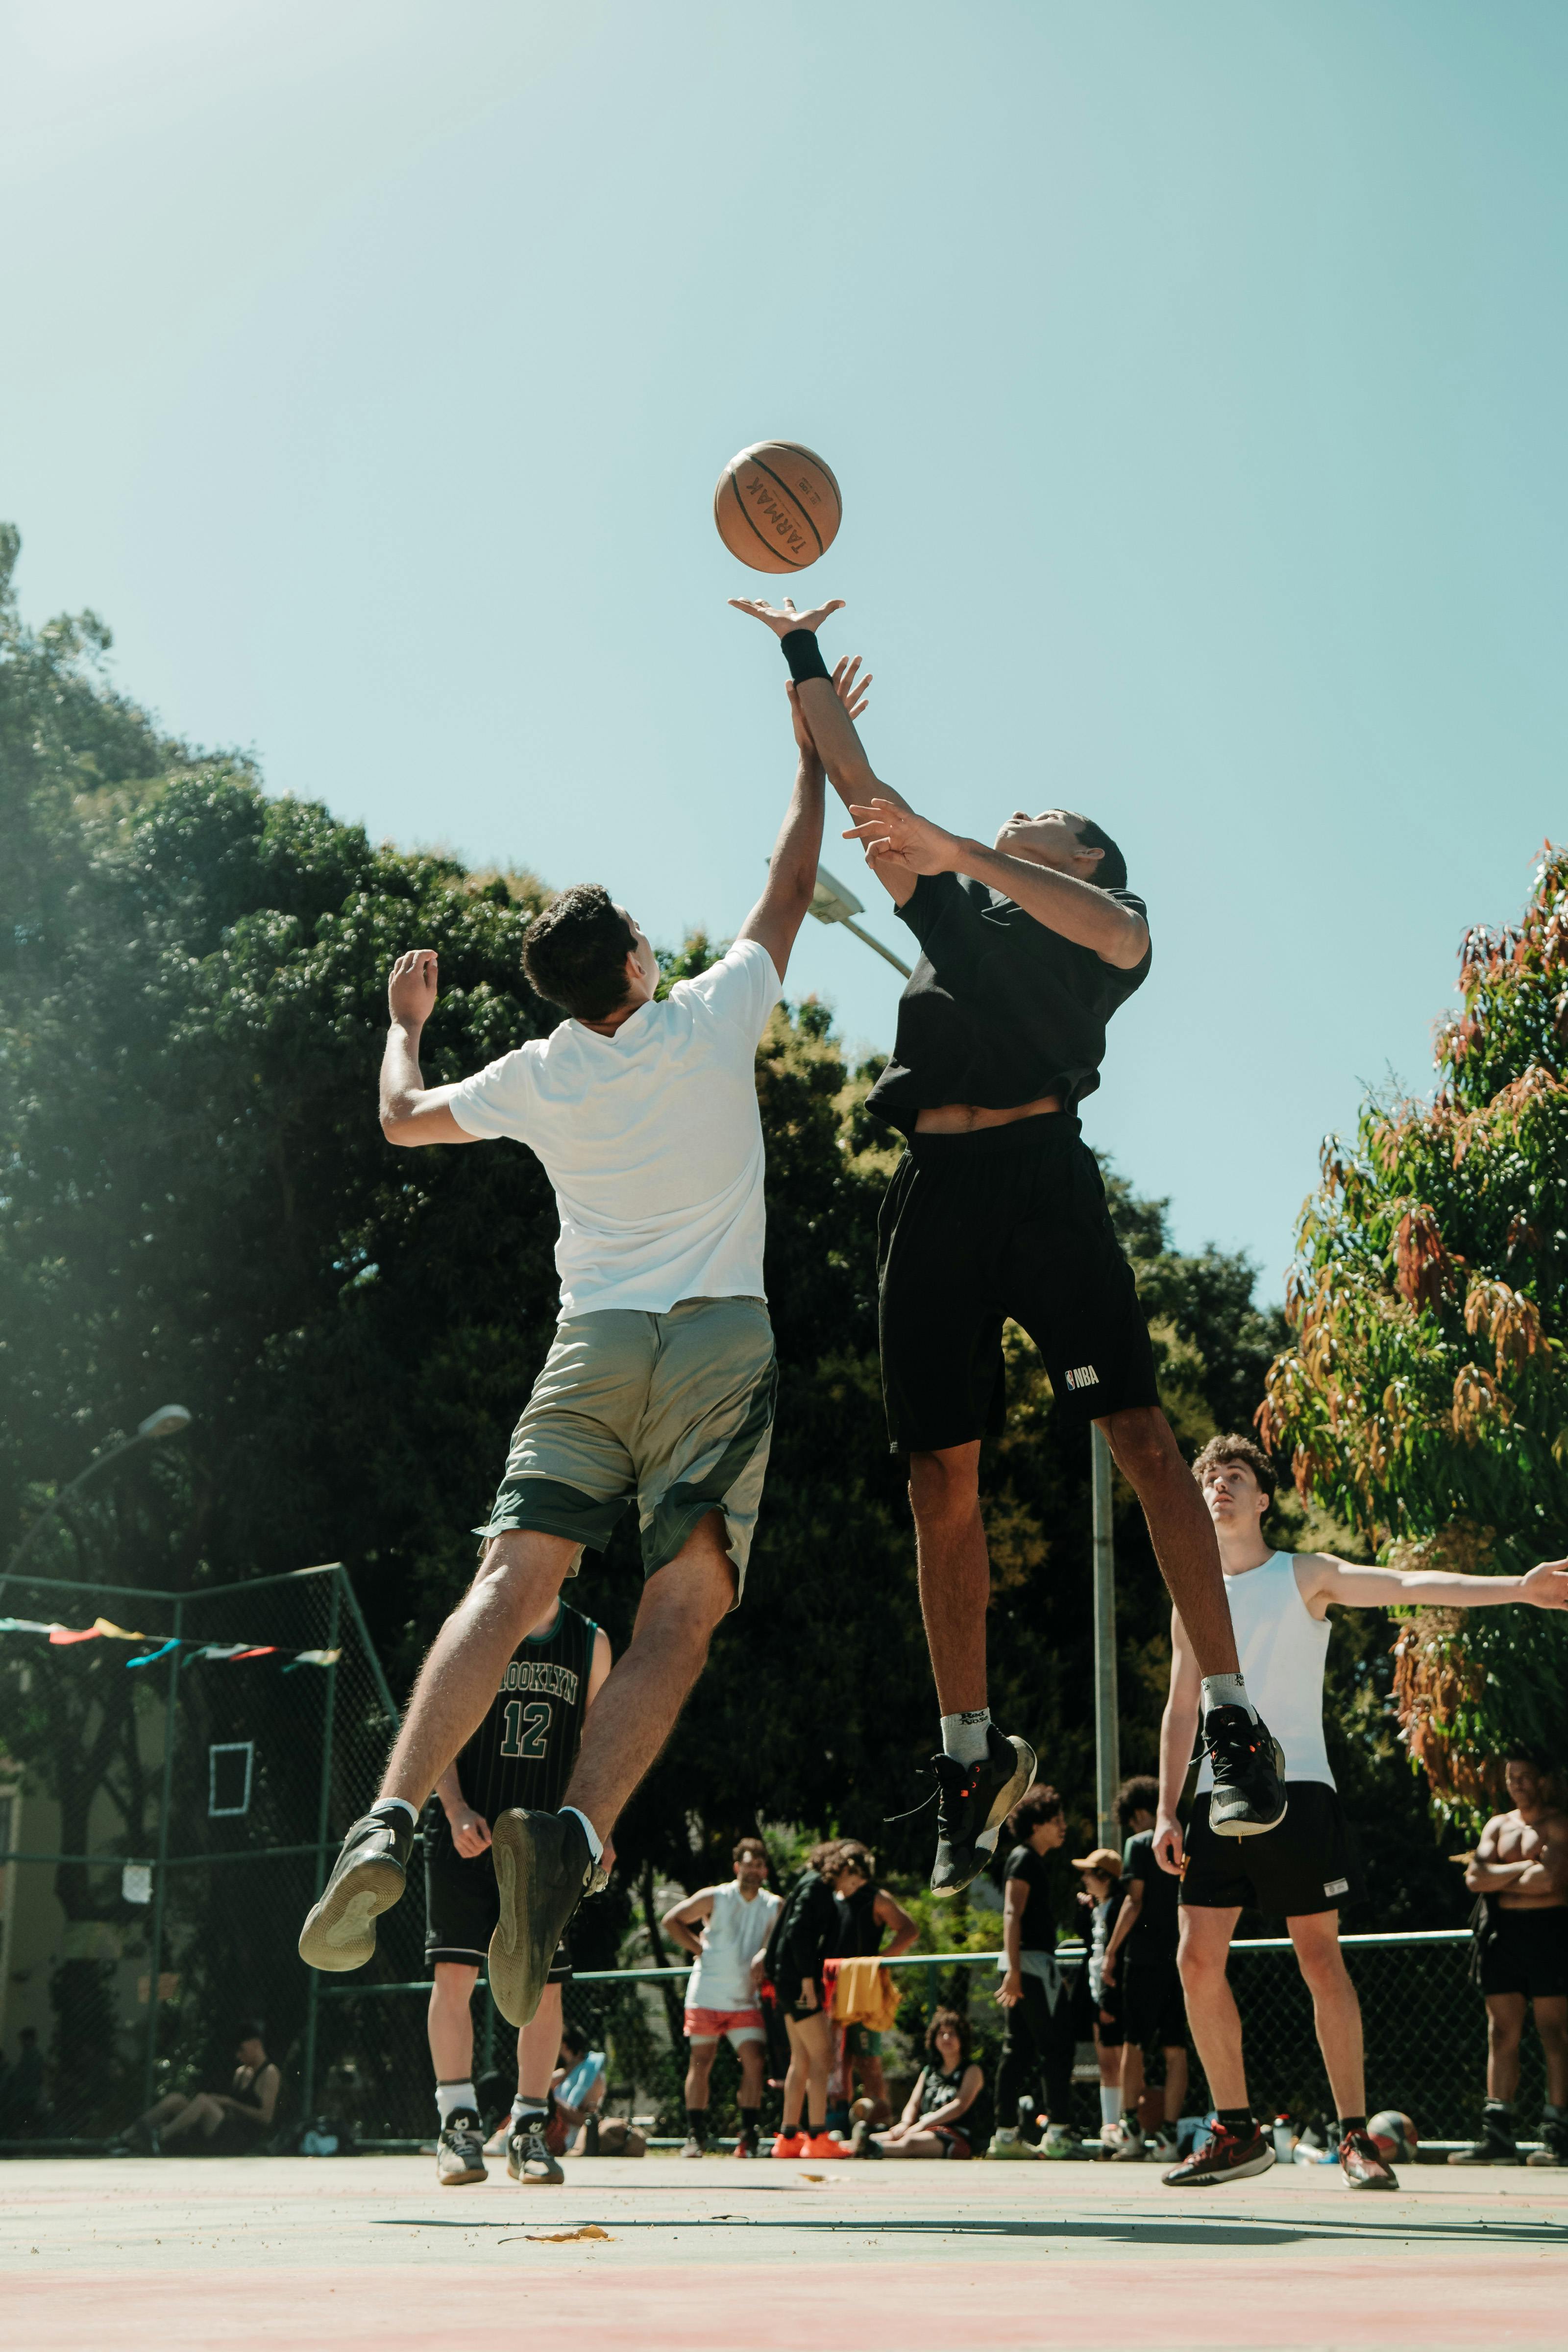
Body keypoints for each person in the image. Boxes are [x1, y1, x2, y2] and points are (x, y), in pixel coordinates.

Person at [299, 657, 868, 2028]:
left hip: (593, 1342)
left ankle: (383, 1822)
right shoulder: (715, 1012)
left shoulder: (544, 1073)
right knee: (684, 1607)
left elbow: (401, 1118)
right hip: (716, 1343)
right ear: (632, 963)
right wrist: (809, 743)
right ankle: (575, 1838)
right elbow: (793, 878)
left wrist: (403, 1027)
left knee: (512, 1584)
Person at [730, 593, 1285, 1898]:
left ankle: (1232, 1720)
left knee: (1146, 1442)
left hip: (1046, 1183)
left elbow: (1102, 923)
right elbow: (861, 784)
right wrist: (800, 649)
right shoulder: (955, 915)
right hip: (937, 1189)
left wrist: (953, 839)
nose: (1025, 809)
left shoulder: (1109, 924)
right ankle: (972, 1757)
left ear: (1086, 855)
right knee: (939, 1482)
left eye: (1049, 815)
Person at [1155, 1433, 1568, 2192]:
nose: (1218, 1487)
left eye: (1235, 1476)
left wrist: (1520, 1585)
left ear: (1263, 1497)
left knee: (1320, 1959)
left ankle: (1356, 2138)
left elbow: (1410, 1581)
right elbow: (1182, 1707)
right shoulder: (1192, 1594)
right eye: (1209, 1478)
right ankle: (1237, 2131)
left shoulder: (1302, 1574)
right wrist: (1166, 1809)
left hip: (1300, 1789)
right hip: (1216, 1797)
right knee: (1194, 1959)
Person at [423, 1592, 611, 2188]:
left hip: (544, 1839)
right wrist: (453, 1809)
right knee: (454, 1975)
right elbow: (437, 1722)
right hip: (468, 1828)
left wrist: (598, 1826)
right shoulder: (474, 1622)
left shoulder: (589, 1641)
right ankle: (457, 2124)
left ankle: (530, 2128)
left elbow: (602, 1742)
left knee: (544, 1987)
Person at [1450, 1754, 1568, 2167]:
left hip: (1551, 1934)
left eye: (1525, 1777)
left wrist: (1500, 1877)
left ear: (1542, 1780)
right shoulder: (1498, 1825)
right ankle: (1497, 2135)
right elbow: (1474, 1878)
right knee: (1501, 2033)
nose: (1517, 1784)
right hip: (1503, 1936)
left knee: (1555, 2032)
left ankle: (1558, 2134)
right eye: (1511, 1778)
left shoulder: (1558, 1823)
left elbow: (1551, 1881)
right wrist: (1523, 1868)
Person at [662, 1835, 783, 2158]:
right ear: (736, 1867)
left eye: (758, 1865)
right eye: (747, 1864)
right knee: (701, 2063)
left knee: (755, 2062)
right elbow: (671, 1921)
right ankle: (695, 2136)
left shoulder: (774, 1905)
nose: (752, 1871)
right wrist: (699, 1948)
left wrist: (766, 1954)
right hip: (707, 1994)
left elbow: (780, 1939)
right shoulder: (716, 1897)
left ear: (765, 1871)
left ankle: (749, 2137)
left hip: (745, 1998)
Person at [1101, 1778, 1186, 2163]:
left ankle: (1131, 2128)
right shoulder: (1186, 1839)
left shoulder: (1139, 1845)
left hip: (1145, 1957)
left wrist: (1111, 1952)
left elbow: (1133, 1903)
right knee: (1176, 2049)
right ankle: (1169, 2135)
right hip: (1181, 1955)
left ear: (1138, 1813)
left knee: (1134, 2043)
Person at [989, 1785, 1077, 2158]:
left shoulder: (1031, 1860)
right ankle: (1058, 2133)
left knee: (1020, 2050)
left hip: (1029, 1966)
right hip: (1029, 1967)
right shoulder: (1024, 1859)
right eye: (1056, 1821)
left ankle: (1006, 2135)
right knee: (1056, 2047)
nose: (1064, 1827)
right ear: (1036, 1824)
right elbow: (1011, 1914)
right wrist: (1014, 1970)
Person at [765, 1840, 847, 2158]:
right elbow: (798, 1932)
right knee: (823, 2055)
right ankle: (817, 2136)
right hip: (798, 1982)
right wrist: (808, 1981)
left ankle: (788, 2138)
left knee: (801, 2058)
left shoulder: (806, 1881)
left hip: (785, 1980)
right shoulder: (818, 1889)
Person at [832, 1838, 917, 2130]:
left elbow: (909, 1929)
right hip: (834, 1987)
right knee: (837, 2060)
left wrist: (879, 1960)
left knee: (869, 2061)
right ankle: (838, 2125)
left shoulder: (875, 1897)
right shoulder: (831, 1896)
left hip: (865, 1989)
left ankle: (878, 2125)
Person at [128, 2021, 279, 2154]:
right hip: (225, 2126)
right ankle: (126, 2137)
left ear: (256, 2044)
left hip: (243, 2137)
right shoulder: (241, 2072)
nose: (238, 2055)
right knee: (177, 2099)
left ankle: (160, 2137)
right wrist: (220, 2103)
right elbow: (230, 2109)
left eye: (241, 2049)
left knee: (203, 2100)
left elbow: (266, 2118)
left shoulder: (270, 2073)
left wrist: (229, 2103)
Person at [851, 2009, 982, 2159]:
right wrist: (905, 2124)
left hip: (956, 2136)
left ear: (962, 2038)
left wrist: (921, 2125)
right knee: (878, 2137)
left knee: (910, 2142)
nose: (946, 2038)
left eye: (952, 2033)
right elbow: (914, 2104)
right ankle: (844, 2147)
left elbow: (959, 2106)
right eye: (941, 2033)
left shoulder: (972, 2071)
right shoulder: (929, 2072)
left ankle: (870, 2149)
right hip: (923, 2130)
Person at [1067, 1845, 1127, 2151]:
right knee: (1106, 2062)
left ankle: (1125, 2125)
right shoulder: (1097, 1909)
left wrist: (1110, 1998)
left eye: (1090, 1874)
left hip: (1112, 1991)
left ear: (1105, 1877)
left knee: (1120, 2060)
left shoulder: (1118, 1908)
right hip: (1094, 1989)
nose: (1085, 1880)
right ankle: (1110, 2124)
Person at [549, 2024, 609, 2153]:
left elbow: (587, 2120)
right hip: (554, 2131)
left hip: (571, 2139)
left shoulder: (592, 2074)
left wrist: (553, 2103)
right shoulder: (567, 2072)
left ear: (564, 2046)